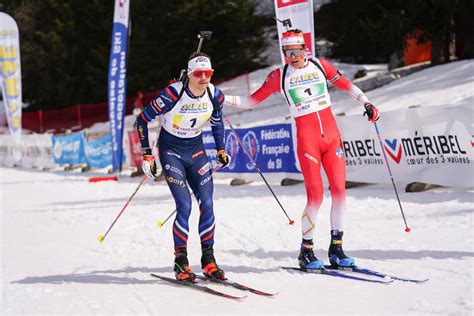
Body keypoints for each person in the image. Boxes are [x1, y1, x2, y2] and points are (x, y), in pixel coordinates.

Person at [224, 29, 379, 269]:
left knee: (339, 191)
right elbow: (250, 102)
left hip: (332, 138)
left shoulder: (321, 66)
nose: (291, 57)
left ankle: (336, 249)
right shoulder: (279, 75)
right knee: (315, 196)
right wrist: (220, 96)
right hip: (308, 141)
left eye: (295, 51)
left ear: (305, 49)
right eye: (286, 53)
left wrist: (367, 103)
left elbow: (348, 86)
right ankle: (306, 251)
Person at [136, 52, 231, 282]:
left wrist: (221, 149)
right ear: (189, 74)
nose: (204, 78)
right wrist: (147, 155)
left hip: (196, 152)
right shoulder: (172, 94)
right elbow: (142, 119)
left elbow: (217, 122)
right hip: (171, 152)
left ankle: (208, 260)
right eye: (199, 73)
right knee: (184, 205)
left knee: (207, 203)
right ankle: (181, 262)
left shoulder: (214, 94)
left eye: (208, 73)